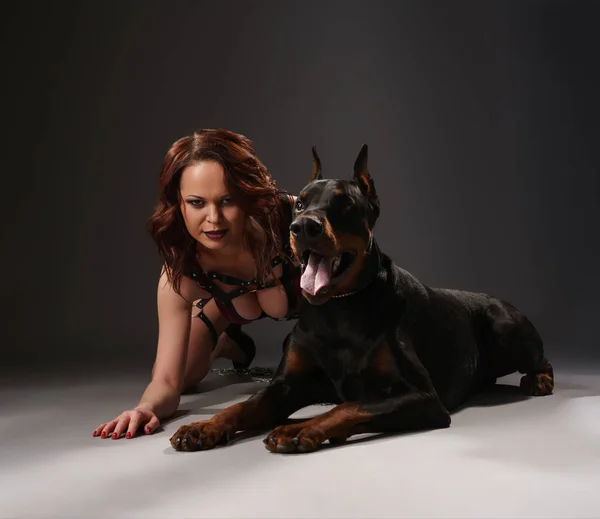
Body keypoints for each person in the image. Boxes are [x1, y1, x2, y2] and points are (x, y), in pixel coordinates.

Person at [93, 129, 301, 440]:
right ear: (178, 203)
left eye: (227, 200)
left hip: (304, 301)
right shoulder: (181, 275)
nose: (213, 219)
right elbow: (165, 382)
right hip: (227, 305)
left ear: (247, 195)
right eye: (196, 202)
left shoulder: (289, 217)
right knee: (186, 377)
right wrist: (144, 408)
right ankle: (226, 344)